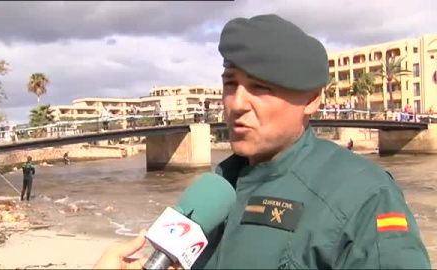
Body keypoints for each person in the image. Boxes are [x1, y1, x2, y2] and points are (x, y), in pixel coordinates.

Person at [94, 14, 431, 269]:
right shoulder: (217, 189)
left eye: (261, 88)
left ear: (312, 100)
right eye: (231, 83)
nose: (238, 103)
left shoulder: (364, 196)